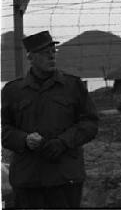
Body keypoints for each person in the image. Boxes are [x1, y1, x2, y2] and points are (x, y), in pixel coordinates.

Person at [1, 30, 99, 208]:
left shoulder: (73, 86)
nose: (51, 56)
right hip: (28, 180)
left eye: (53, 52)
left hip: (64, 178)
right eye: (44, 53)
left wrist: (64, 142)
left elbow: (90, 123)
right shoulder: (12, 91)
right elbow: (4, 131)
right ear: (30, 57)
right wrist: (24, 140)